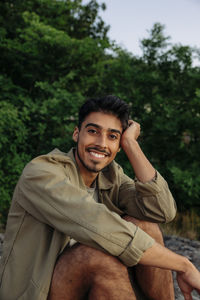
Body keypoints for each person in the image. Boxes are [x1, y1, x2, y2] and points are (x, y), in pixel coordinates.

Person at [0, 95, 200, 300]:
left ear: (119, 145)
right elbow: (99, 226)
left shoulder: (111, 178)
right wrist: (183, 265)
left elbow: (162, 210)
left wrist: (132, 144)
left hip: (85, 288)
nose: (101, 143)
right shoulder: (42, 173)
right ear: (77, 133)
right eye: (93, 131)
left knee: (145, 226)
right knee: (96, 256)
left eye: (113, 136)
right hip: (36, 293)